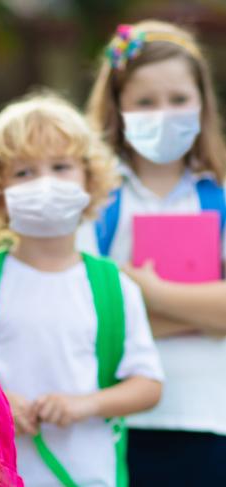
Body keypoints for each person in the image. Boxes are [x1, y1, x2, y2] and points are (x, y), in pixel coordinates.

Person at [0, 93, 163, 486]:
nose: (44, 182)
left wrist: (85, 405)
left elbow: (147, 384)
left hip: (90, 475)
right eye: (24, 172)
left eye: (61, 166)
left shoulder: (114, 285)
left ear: (91, 179)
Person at [78, 20, 226, 485]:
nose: (164, 113)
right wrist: (205, 313)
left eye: (179, 99)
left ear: (202, 103)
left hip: (209, 416)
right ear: (118, 107)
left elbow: (114, 309)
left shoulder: (219, 193)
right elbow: (84, 311)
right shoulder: (92, 198)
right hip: (114, 416)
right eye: (145, 102)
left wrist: (147, 291)